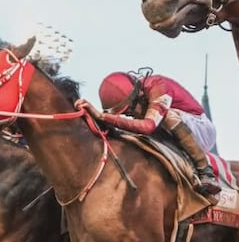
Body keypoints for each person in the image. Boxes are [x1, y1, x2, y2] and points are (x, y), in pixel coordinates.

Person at [76, 69, 221, 196]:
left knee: (166, 117)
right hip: (174, 132)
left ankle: (205, 170)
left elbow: (148, 126)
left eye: (129, 110)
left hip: (203, 130)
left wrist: (103, 117)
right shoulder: (139, 94)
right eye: (125, 113)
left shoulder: (159, 86)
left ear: (138, 95)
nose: (130, 115)